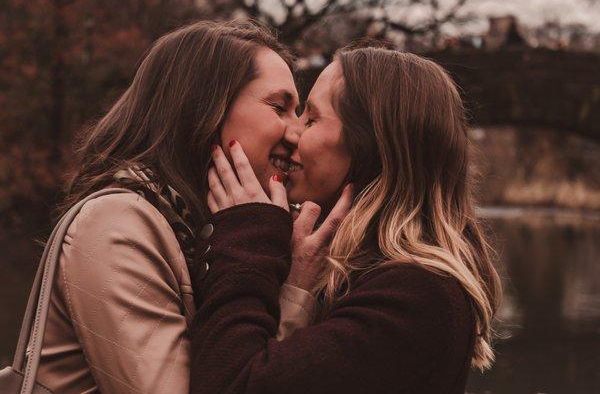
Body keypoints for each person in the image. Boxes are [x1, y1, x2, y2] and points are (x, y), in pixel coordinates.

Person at [188, 46, 503, 394]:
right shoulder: (363, 275)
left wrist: (245, 243)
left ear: (367, 144)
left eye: (310, 119)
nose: (292, 134)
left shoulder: (414, 298)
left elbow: (232, 383)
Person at [35, 21, 322, 393]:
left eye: (299, 114)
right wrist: (295, 293)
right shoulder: (118, 224)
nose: (296, 133)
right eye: (279, 107)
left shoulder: (210, 228)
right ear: (204, 108)